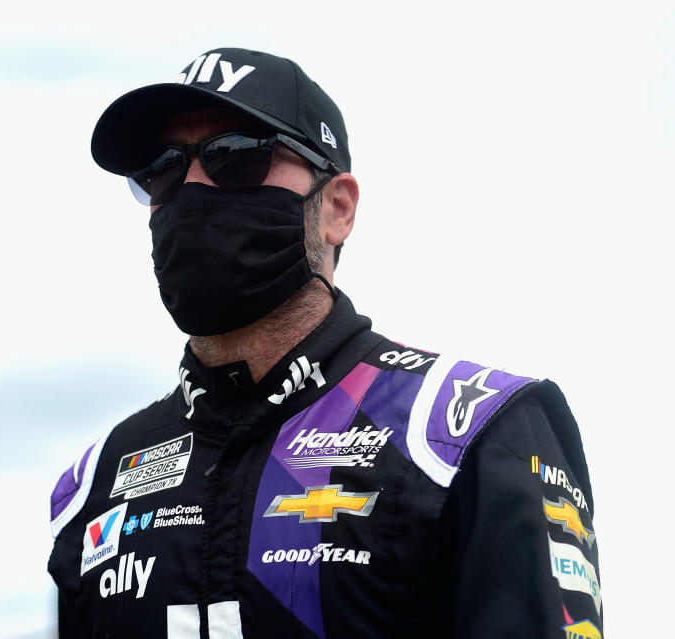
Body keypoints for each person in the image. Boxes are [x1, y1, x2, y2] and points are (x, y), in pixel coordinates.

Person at [47, 47, 602, 639]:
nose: (191, 189)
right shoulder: (94, 483)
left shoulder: (464, 430)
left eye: (234, 156)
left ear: (337, 209)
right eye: (160, 168)